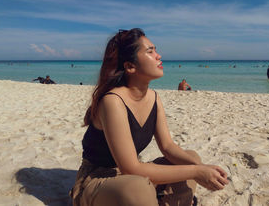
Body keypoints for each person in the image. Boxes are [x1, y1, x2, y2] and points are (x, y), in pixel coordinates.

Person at [70, 28, 228, 206]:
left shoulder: (153, 98)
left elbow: (167, 147)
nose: (158, 56)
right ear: (130, 66)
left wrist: (202, 168)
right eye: (150, 51)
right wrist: (195, 172)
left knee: (191, 157)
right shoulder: (113, 101)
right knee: (138, 187)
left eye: (156, 50)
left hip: (131, 177)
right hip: (98, 180)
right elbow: (130, 167)